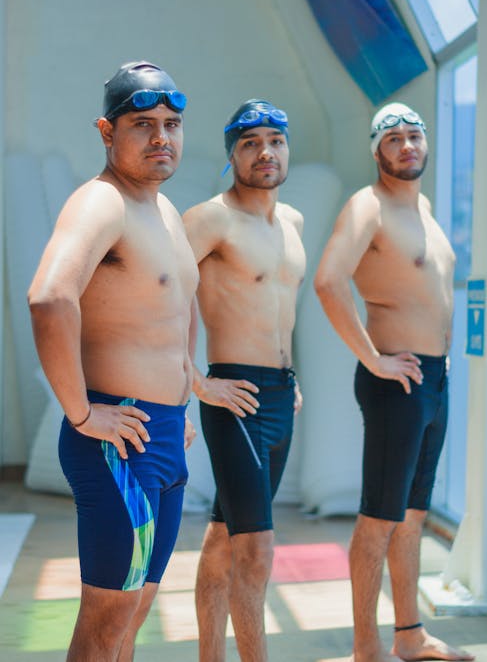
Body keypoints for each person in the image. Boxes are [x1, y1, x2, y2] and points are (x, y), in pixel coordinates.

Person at [28, 60, 198, 662]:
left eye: (172, 124)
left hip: (164, 435)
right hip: (119, 444)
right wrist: (81, 415)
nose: (161, 138)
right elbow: (50, 298)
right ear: (107, 131)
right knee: (106, 625)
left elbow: (179, 310)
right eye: (143, 124)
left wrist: (185, 396)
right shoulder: (102, 203)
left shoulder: (165, 210)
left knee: (131, 618)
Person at [314, 103, 474, 662]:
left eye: (414, 136)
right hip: (396, 380)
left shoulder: (424, 208)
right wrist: (375, 360)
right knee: (379, 518)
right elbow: (329, 282)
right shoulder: (369, 206)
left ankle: (410, 636)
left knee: (411, 518)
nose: (406, 146)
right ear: (377, 151)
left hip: (434, 379)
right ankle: (366, 647)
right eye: (394, 139)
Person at [183, 99, 306, 662]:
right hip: (234, 393)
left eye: (275, 141)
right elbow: (164, 293)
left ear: (287, 149)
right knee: (255, 549)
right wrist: (195, 380)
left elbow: (281, 308)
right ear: (232, 153)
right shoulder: (210, 218)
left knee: (223, 538)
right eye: (251, 142)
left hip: (280, 393)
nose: (266, 152)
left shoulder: (293, 222)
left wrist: (291, 377)